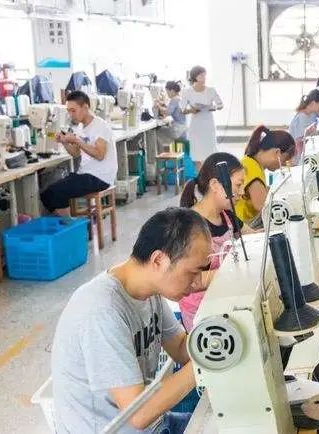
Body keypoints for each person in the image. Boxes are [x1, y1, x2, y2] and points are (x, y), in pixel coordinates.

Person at [51, 208, 212, 433]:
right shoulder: (102, 309)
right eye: (192, 273)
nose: (196, 282)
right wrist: (209, 358)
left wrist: (216, 333)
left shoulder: (148, 290)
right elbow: (137, 414)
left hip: (152, 425)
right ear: (159, 260)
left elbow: (179, 347)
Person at [178, 152, 254, 330]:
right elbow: (192, 281)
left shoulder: (226, 216)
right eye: (238, 185)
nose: (242, 192)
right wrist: (233, 271)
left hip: (224, 299)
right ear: (215, 185)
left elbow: (254, 236)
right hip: (202, 314)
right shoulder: (190, 226)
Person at [40, 91, 117, 216]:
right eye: (69, 111)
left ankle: (71, 225)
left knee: (56, 193)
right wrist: (64, 142)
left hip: (100, 176)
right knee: (46, 195)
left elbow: (100, 155)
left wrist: (76, 140)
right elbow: (76, 154)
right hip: (86, 174)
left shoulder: (100, 126)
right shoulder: (81, 127)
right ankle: (70, 223)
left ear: (85, 107)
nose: (71, 115)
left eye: (73, 111)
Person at [235, 126, 296, 228]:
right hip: (245, 226)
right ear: (277, 153)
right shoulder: (252, 168)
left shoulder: (251, 162)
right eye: (284, 160)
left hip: (245, 221)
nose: (282, 165)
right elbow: (263, 206)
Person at [179, 66, 223, 168]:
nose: (204, 77)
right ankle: (200, 176)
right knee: (196, 154)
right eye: (202, 75)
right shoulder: (187, 92)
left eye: (205, 75)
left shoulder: (211, 90)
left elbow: (220, 104)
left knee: (210, 152)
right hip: (195, 126)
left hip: (208, 125)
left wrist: (214, 107)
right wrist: (191, 110)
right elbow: (182, 109)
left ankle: (210, 174)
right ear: (195, 77)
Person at [288, 89, 319, 164]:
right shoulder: (301, 118)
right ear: (313, 103)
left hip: (309, 151)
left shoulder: (312, 114)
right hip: (299, 158)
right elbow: (299, 143)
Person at [156, 81, 187, 151]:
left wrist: (158, 105)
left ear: (172, 91)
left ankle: (162, 153)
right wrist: (163, 105)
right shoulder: (179, 98)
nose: (167, 94)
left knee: (156, 132)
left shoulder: (174, 99)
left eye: (167, 92)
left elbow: (167, 112)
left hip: (178, 129)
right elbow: (172, 109)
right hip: (184, 128)